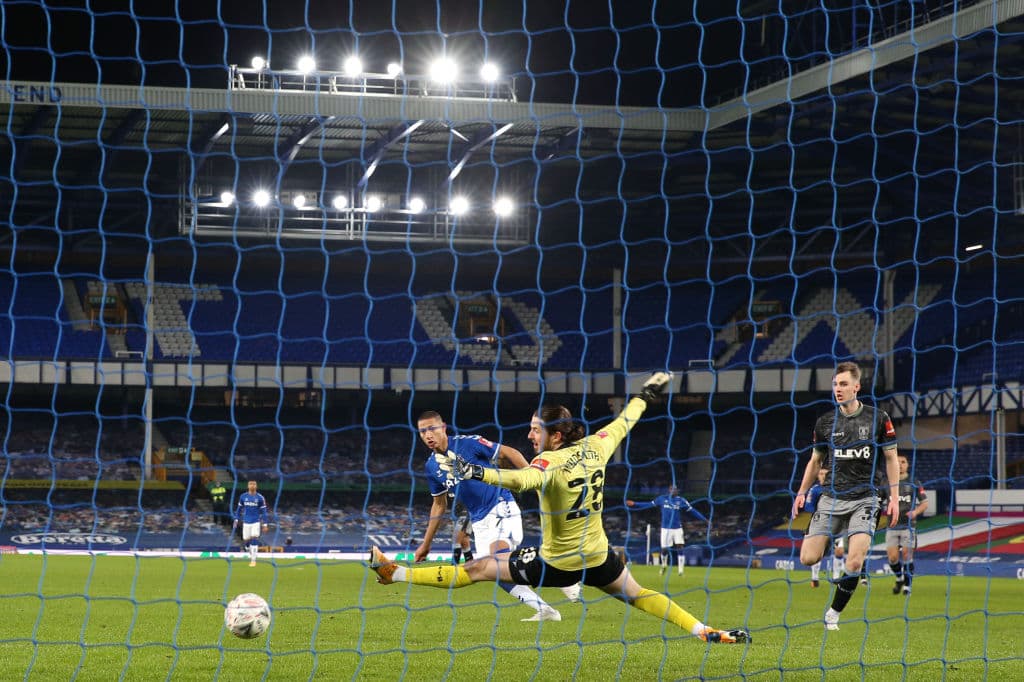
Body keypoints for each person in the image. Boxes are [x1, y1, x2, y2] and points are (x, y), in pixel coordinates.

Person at [371, 373, 750, 644]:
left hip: (559, 562)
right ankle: (704, 631)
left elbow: (520, 481)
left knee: (479, 568)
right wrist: (647, 394)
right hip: (599, 556)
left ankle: (395, 573)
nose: (530, 435)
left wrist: (475, 471)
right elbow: (625, 421)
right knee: (639, 595)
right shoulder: (598, 446)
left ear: (555, 435)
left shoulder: (547, 465)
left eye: (537, 429)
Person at [412, 410, 566, 621]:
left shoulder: (468, 444)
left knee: (497, 559)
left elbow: (508, 452)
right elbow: (439, 505)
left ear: (443, 427)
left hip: (501, 505)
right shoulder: (431, 467)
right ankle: (546, 610)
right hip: (480, 522)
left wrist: (535, 479)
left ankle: (561, 568)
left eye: (432, 429)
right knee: (495, 572)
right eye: (422, 431)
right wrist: (426, 544)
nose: (428, 435)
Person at [792, 361, 901, 631]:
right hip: (831, 498)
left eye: (843, 384)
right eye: (835, 384)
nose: (838, 389)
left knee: (854, 560)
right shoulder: (825, 422)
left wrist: (895, 497)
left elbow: (891, 458)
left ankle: (833, 612)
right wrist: (802, 492)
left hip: (866, 497)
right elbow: (815, 461)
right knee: (808, 558)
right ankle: (830, 541)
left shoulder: (879, 418)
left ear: (856, 387)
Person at [626, 485, 707, 576]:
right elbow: (648, 504)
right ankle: (664, 565)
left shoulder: (681, 500)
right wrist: (635, 504)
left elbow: (693, 511)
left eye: (675, 489)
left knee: (680, 547)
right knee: (664, 550)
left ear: (677, 491)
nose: (674, 491)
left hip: (677, 528)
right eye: (672, 489)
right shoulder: (661, 499)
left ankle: (681, 571)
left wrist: (704, 519)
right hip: (665, 529)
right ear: (669, 490)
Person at [885, 454, 928, 595]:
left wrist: (915, 512)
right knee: (892, 558)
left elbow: (925, 503)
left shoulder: (914, 482)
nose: (901, 464)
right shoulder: (887, 483)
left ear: (907, 464)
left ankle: (907, 587)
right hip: (892, 525)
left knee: (906, 555)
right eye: (898, 462)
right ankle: (899, 577)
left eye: (903, 461)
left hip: (909, 526)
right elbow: (879, 500)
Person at [804, 469, 846, 587]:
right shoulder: (815, 489)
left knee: (839, 551)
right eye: (821, 473)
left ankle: (836, 578)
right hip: (820, 524)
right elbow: (809, 507)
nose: (823, 476)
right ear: (817, 475)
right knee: (817, 552)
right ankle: (815, 578)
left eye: (826, 474)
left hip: (838, 524)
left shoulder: (838, 488)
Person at [234, 480, 269, 567]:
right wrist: (236, 520)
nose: (252, 485)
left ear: (256, 486)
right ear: (248, 486)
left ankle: (253, 560)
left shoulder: (260, 498)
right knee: (246, 540)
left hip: (256, 522)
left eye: (254, 484)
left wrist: (265, 524)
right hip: (246, 522)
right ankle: (248, 549)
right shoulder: (243, 496)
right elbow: (239, 510)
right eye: (251, 484)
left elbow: (264, 512)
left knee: (254, 538)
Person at [451, 500, 475, 565]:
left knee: (456, 540)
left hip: (464, 515)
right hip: (462, 516)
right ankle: (470, 564)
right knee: (464, 543)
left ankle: (454, 565)